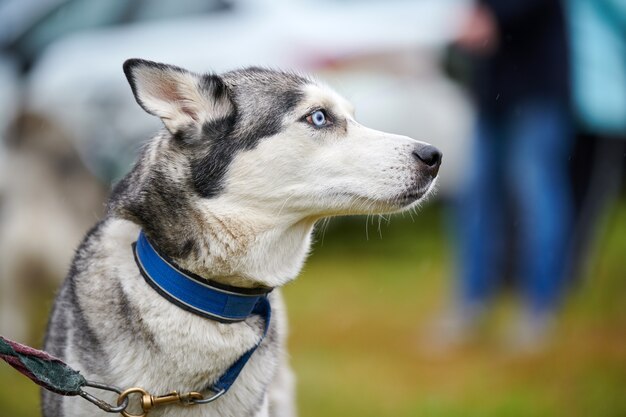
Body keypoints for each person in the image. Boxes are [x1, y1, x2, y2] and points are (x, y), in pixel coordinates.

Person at [440, 0, 573, 351]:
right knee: (474, 200)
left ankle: (538, 310)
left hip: (537, 89)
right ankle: (470, 305)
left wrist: (493, 18)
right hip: (491, 91)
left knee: (537, 199)